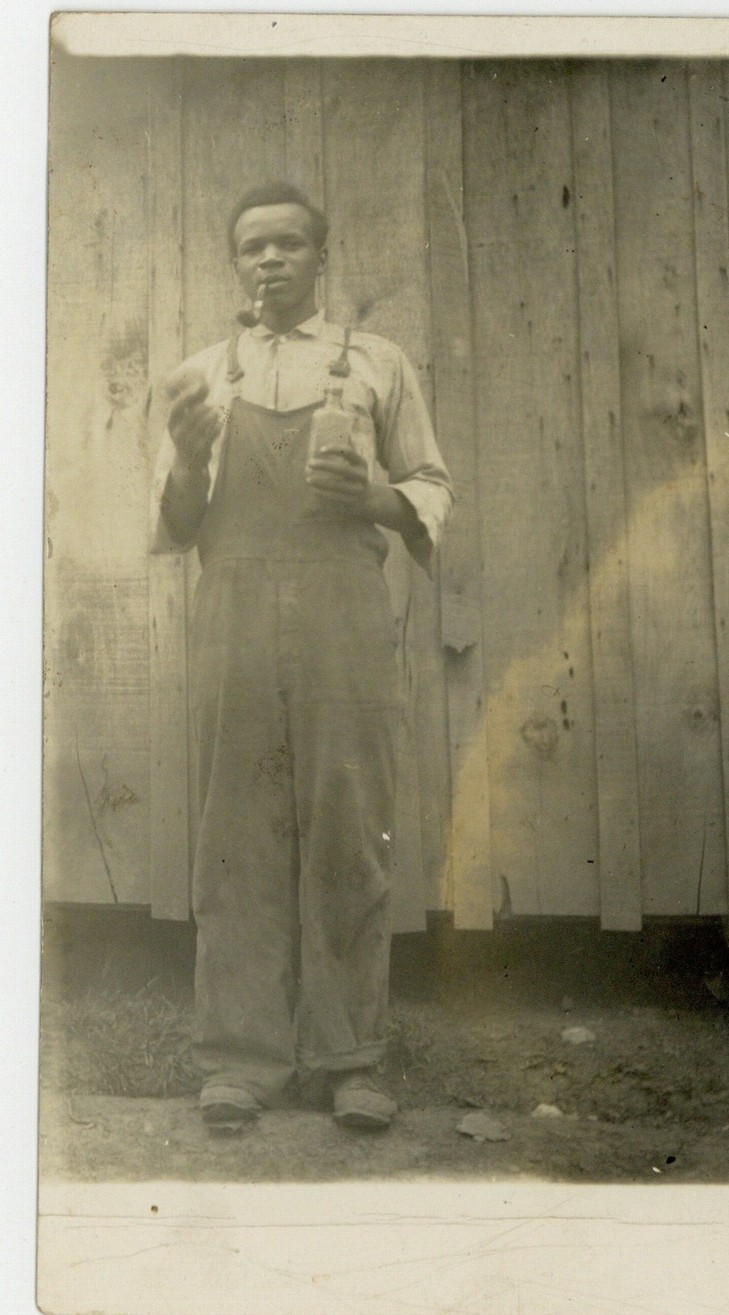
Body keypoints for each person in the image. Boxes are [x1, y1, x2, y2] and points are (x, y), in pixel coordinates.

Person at [150, 182, 453, 1134]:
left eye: (289, 245)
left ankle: (349, 1059)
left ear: (322, 259)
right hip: (233, 605)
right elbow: (170, 526)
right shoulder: (202, 376)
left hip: (342, 614)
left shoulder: (375, 365)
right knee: (235, 824)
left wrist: (372, 493)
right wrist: (192, 462)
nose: (271, 261)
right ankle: (240, 1061)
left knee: (347, 822)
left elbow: (431, 487)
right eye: (253, 248)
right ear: (235, 265)